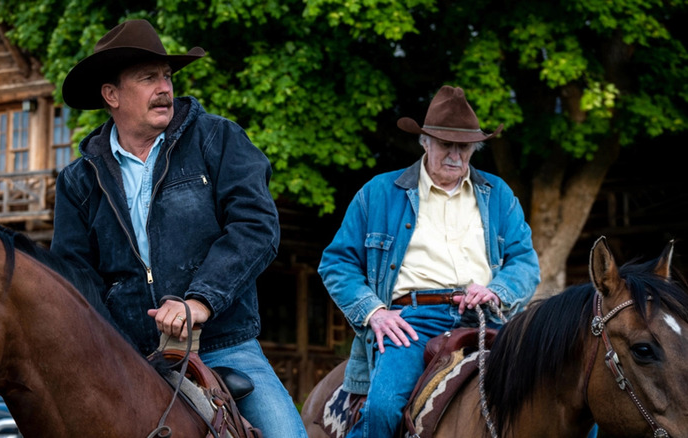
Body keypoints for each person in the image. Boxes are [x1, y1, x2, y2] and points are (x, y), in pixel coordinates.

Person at [51, 19, 307, 438]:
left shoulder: (217, 139)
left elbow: (256, 227)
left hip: (224, 344)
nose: (164, 87)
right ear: (111, 95)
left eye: (167, 76)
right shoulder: (78, 180)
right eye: (148, 78)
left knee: (288, 436)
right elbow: (74, 277)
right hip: (125, 355)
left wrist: (200, 301)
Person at [318, 85, 540, 438]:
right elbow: (337, 263)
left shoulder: (498, 195)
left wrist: (497, 291)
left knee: (559, 391)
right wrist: (374, 312)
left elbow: (525, 262)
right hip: (412, 323)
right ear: (425, 143)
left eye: (463, 147)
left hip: (488, 318)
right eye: (445, 144)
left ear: (474, 148)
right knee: (383, 409)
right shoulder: (379, 192)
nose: (454, 155)